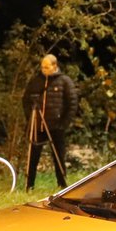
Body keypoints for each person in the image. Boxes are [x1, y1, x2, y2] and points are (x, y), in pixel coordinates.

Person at [23, 53, 78, 189]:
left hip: (56, 126)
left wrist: (64, 123)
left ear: (55, 66)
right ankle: (29, 185)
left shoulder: (65, 81)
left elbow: (72, 103)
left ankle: (62, 184)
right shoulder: (36, 80)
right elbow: (25, 99)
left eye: (47, 67)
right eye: (42, 67)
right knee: (33, 156)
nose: (44, 70)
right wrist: (30, 117)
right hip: (38, 125)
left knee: (59, 156)